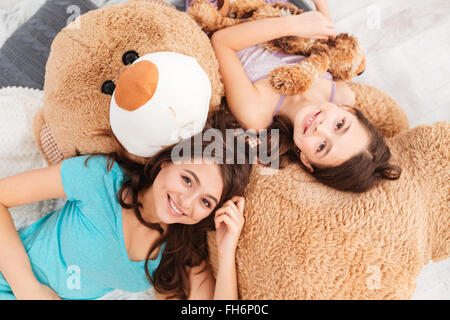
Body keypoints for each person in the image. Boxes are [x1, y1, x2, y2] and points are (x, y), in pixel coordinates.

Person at [0, 112, 252, 300]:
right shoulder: (101, 178)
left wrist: (226, 254)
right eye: (187, 180)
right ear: (167, 161)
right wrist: (27, 287)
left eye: (205, 201)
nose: (186, 202)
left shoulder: (180, 254)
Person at [193, 0, 401, 192]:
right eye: (339, 125)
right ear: (349, 111)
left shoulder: (256, 113)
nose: (321, 128)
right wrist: (321, 13)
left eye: (321, 147)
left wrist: (292, 25)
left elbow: (221, 41)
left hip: (223, 10)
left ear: (306, 160)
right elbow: (329, 49)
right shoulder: (341, 94)